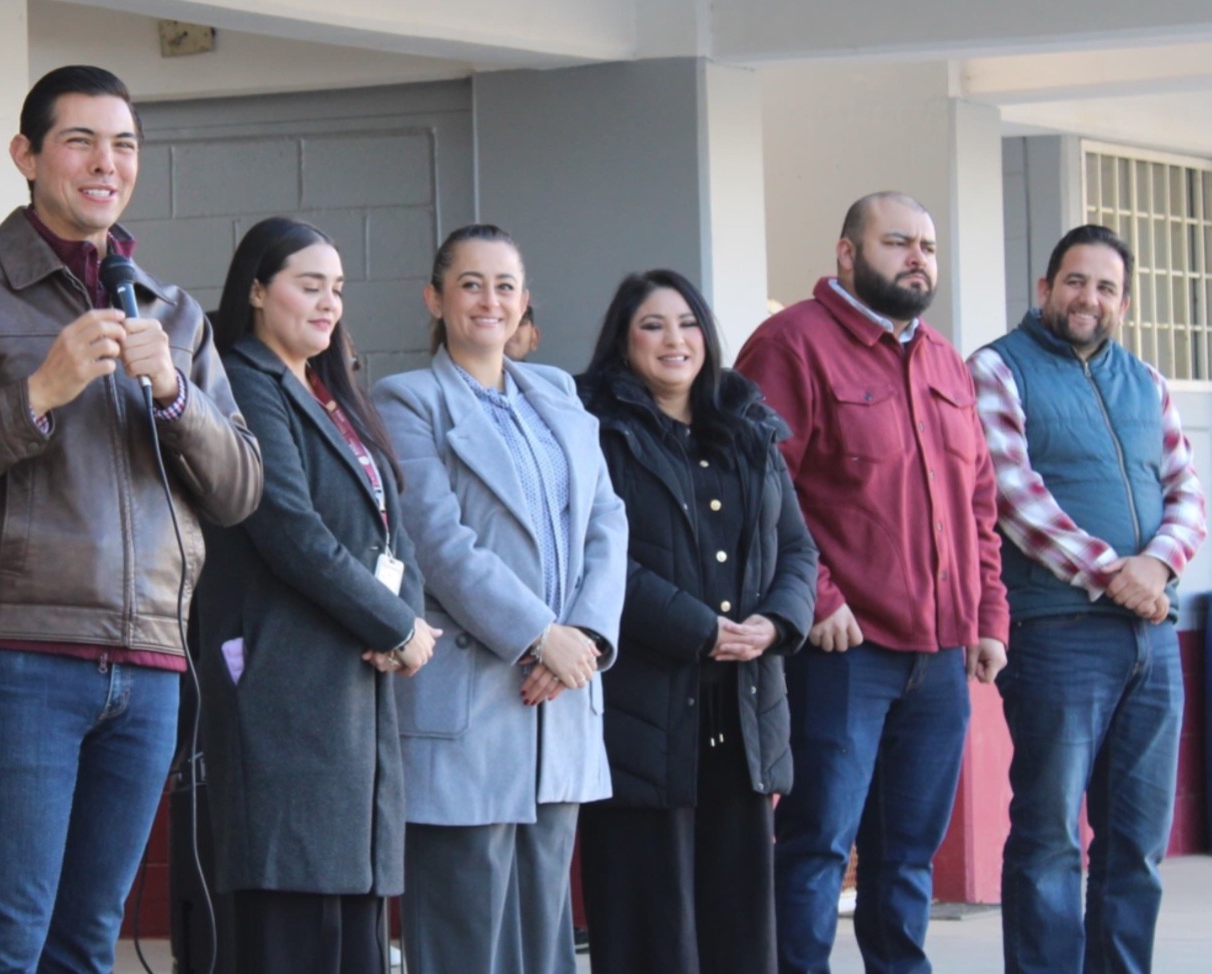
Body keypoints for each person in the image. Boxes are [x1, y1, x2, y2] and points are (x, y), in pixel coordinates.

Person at [0, 66, 262, 973]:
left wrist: (172, 393)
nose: (105, 163)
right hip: (22, 653)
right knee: (8, 939)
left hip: (155, 660)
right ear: (27, 156)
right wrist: (37, 395)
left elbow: (242, 489)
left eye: (123, 144)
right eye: (79, 140)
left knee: (86, 944)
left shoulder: (173, 313)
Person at [733, 191, 1010, 974]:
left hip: (941, 655)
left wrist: (988, 614)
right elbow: (760, 488)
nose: (917, 256)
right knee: (817, 847)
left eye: (926, 244)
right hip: (844, 654)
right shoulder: (792, 345)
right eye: (897, 242)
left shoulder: (945, 360)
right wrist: (817, 596)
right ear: (847, 254)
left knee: (908, 856)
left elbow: (978, 501)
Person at [371, 224, 627, 974]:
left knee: (545, 930)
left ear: (524, 304)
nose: (490, 300)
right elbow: (439, 543)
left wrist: (583, 637)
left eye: (505, 286)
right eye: (471, 283)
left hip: (562, 696)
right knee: (464, 929)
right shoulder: (408, 399)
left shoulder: (557, 393)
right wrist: (536, 635)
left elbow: (608, 520)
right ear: (436, 298)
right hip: (477, 693)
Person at [194, 216, 439, 974]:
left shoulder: (332, 393)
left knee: (351, 923)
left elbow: (391, 532)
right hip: (284, 680)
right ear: (259, 291)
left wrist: (407, 617)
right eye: (310, 285)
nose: (329, 303)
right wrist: (396, 626)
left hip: (352, 686)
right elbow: (290, 529)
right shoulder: (245, 381)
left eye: (337, 288)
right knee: (293, 916)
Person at [968, 224, 1206, 974]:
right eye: (1074, 281)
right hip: (1058, 632)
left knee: (1136, 840)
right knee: (1048, 836)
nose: (1088, 298)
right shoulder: (998, 369)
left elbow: (1187, 494)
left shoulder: (1148, 381)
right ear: (1044, 289)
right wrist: (1118, 575)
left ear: (1124, 303)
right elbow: (1014, 497)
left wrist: (1159, 568)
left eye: (1105, 287)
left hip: (1151, 638)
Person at [575, 270, 818, 974]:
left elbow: (797, 547)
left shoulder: (747, 428)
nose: (674, 340)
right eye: (652, 325)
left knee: (739, 925)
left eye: (687, 323)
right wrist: (699, 629)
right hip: (643, 715)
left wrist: (777, 622)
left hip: (743, 712)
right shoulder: (595, 429)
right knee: (650, 924)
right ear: (623, 341)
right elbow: (600, 558)